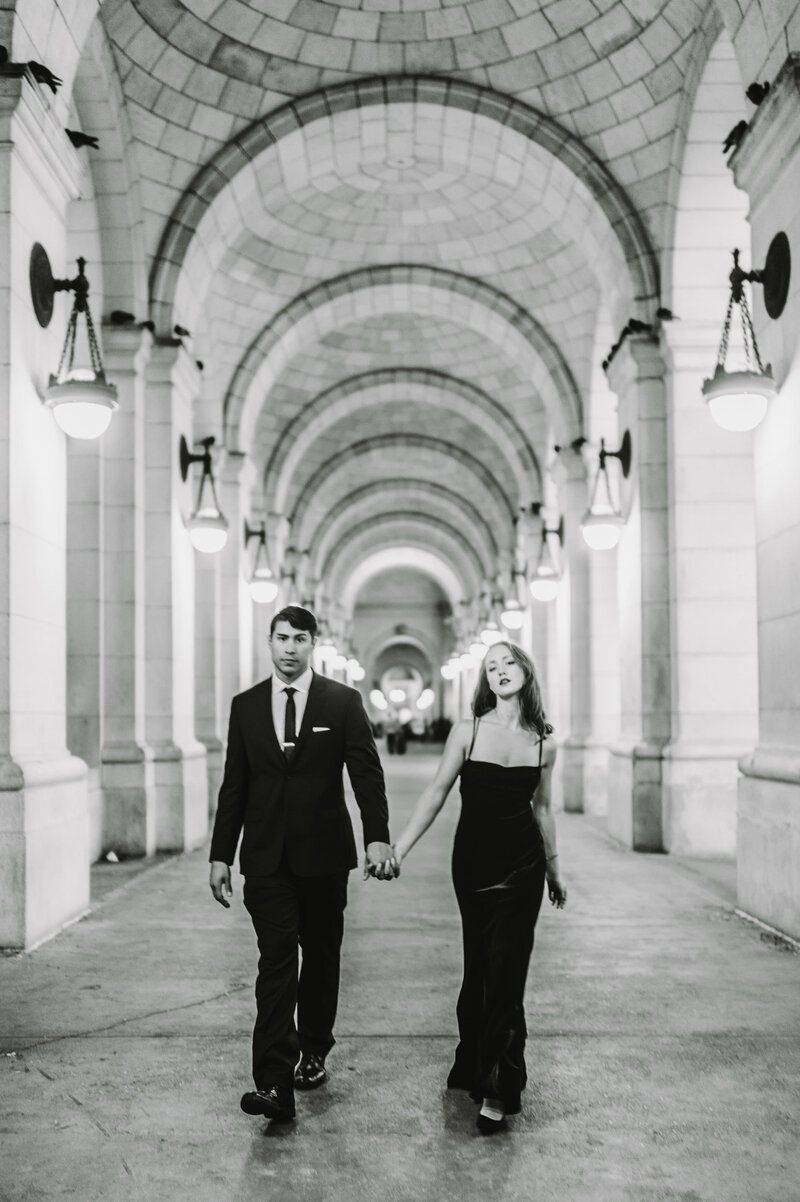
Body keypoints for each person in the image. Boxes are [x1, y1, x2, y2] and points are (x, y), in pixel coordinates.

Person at [208, 605, 396, 1124]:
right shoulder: (246, 707)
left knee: (320, 957)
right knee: (275, 965)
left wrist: (376, 838)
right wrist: (221, 853)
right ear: (269, 642)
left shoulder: (341, 701)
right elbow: (235, 785)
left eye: (300, 640)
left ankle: (314, 1046)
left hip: (323, 857)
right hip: (266, 859)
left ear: (314, 644)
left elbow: (366, 774)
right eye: (282, 638)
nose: (290, 648)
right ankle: (272, 1083)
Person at [391, 640, 567, 1133]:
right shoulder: (467, 731)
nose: (501, 670)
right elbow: (436, 792)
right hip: (472, 865)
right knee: (479, 970)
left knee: (506, 975)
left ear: (526, 672)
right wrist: (400, 849)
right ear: (485, 681)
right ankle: (471, 1058)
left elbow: (544, 809)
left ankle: (498, 1086)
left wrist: (554, 871)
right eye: (491, 667)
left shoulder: (544, 742)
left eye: (509, 662)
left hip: (523, 867)